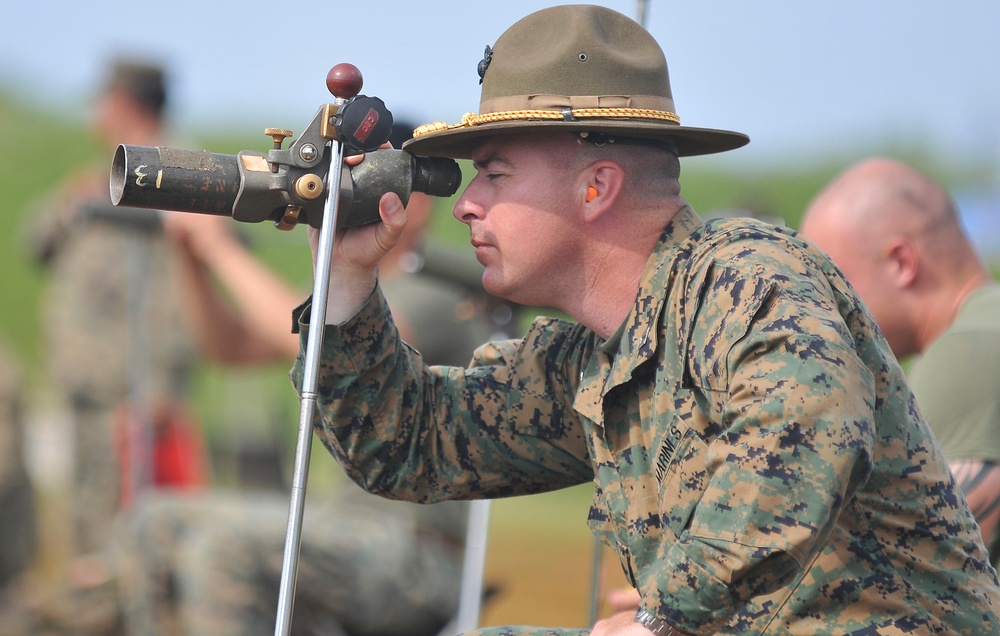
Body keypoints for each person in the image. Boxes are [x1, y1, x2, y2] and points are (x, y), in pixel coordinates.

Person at [289, 6, 1000, 635]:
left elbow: (808, 435)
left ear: (597, 187)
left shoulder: (745, 278)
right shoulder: (594, 356)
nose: (468, 204)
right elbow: (409, 442)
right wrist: (347, 277)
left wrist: (662, 618)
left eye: (494, 173)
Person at [111, 122, 502, 636]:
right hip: (344, 528)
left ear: (413, 197)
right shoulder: (351, 284)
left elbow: (322, 336)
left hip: (416, 550)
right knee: (152, 522)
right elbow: (232, 348)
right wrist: (191, 256)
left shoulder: (438, 289)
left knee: (221, 553)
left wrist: (221, 250)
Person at [23, 56, 204, 573]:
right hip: (85, 377)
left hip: (131, 388)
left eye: (101, 102)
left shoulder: (177, 171)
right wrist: (67, 204)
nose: (93, 115)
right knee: (87, 530)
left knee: (125, 536)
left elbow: (179, 289)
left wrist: (160, 385)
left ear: (125, 104)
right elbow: (32, 243)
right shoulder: (101, 173)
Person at [800, 157, 1000, 568]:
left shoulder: (964, 355)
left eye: (832, 284)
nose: (822, 310)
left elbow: (912, 561)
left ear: (901, 262)